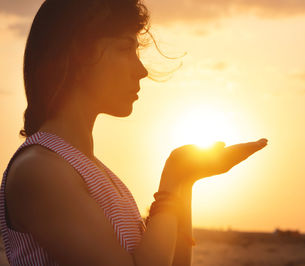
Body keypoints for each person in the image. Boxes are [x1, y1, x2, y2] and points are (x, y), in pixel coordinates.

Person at [0, 0, 268, 265]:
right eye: (125, 49)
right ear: (77, 55)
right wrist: (171, 181)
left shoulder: (91, 173)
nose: (141, 70)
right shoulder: (40, 171)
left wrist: (184, 181)